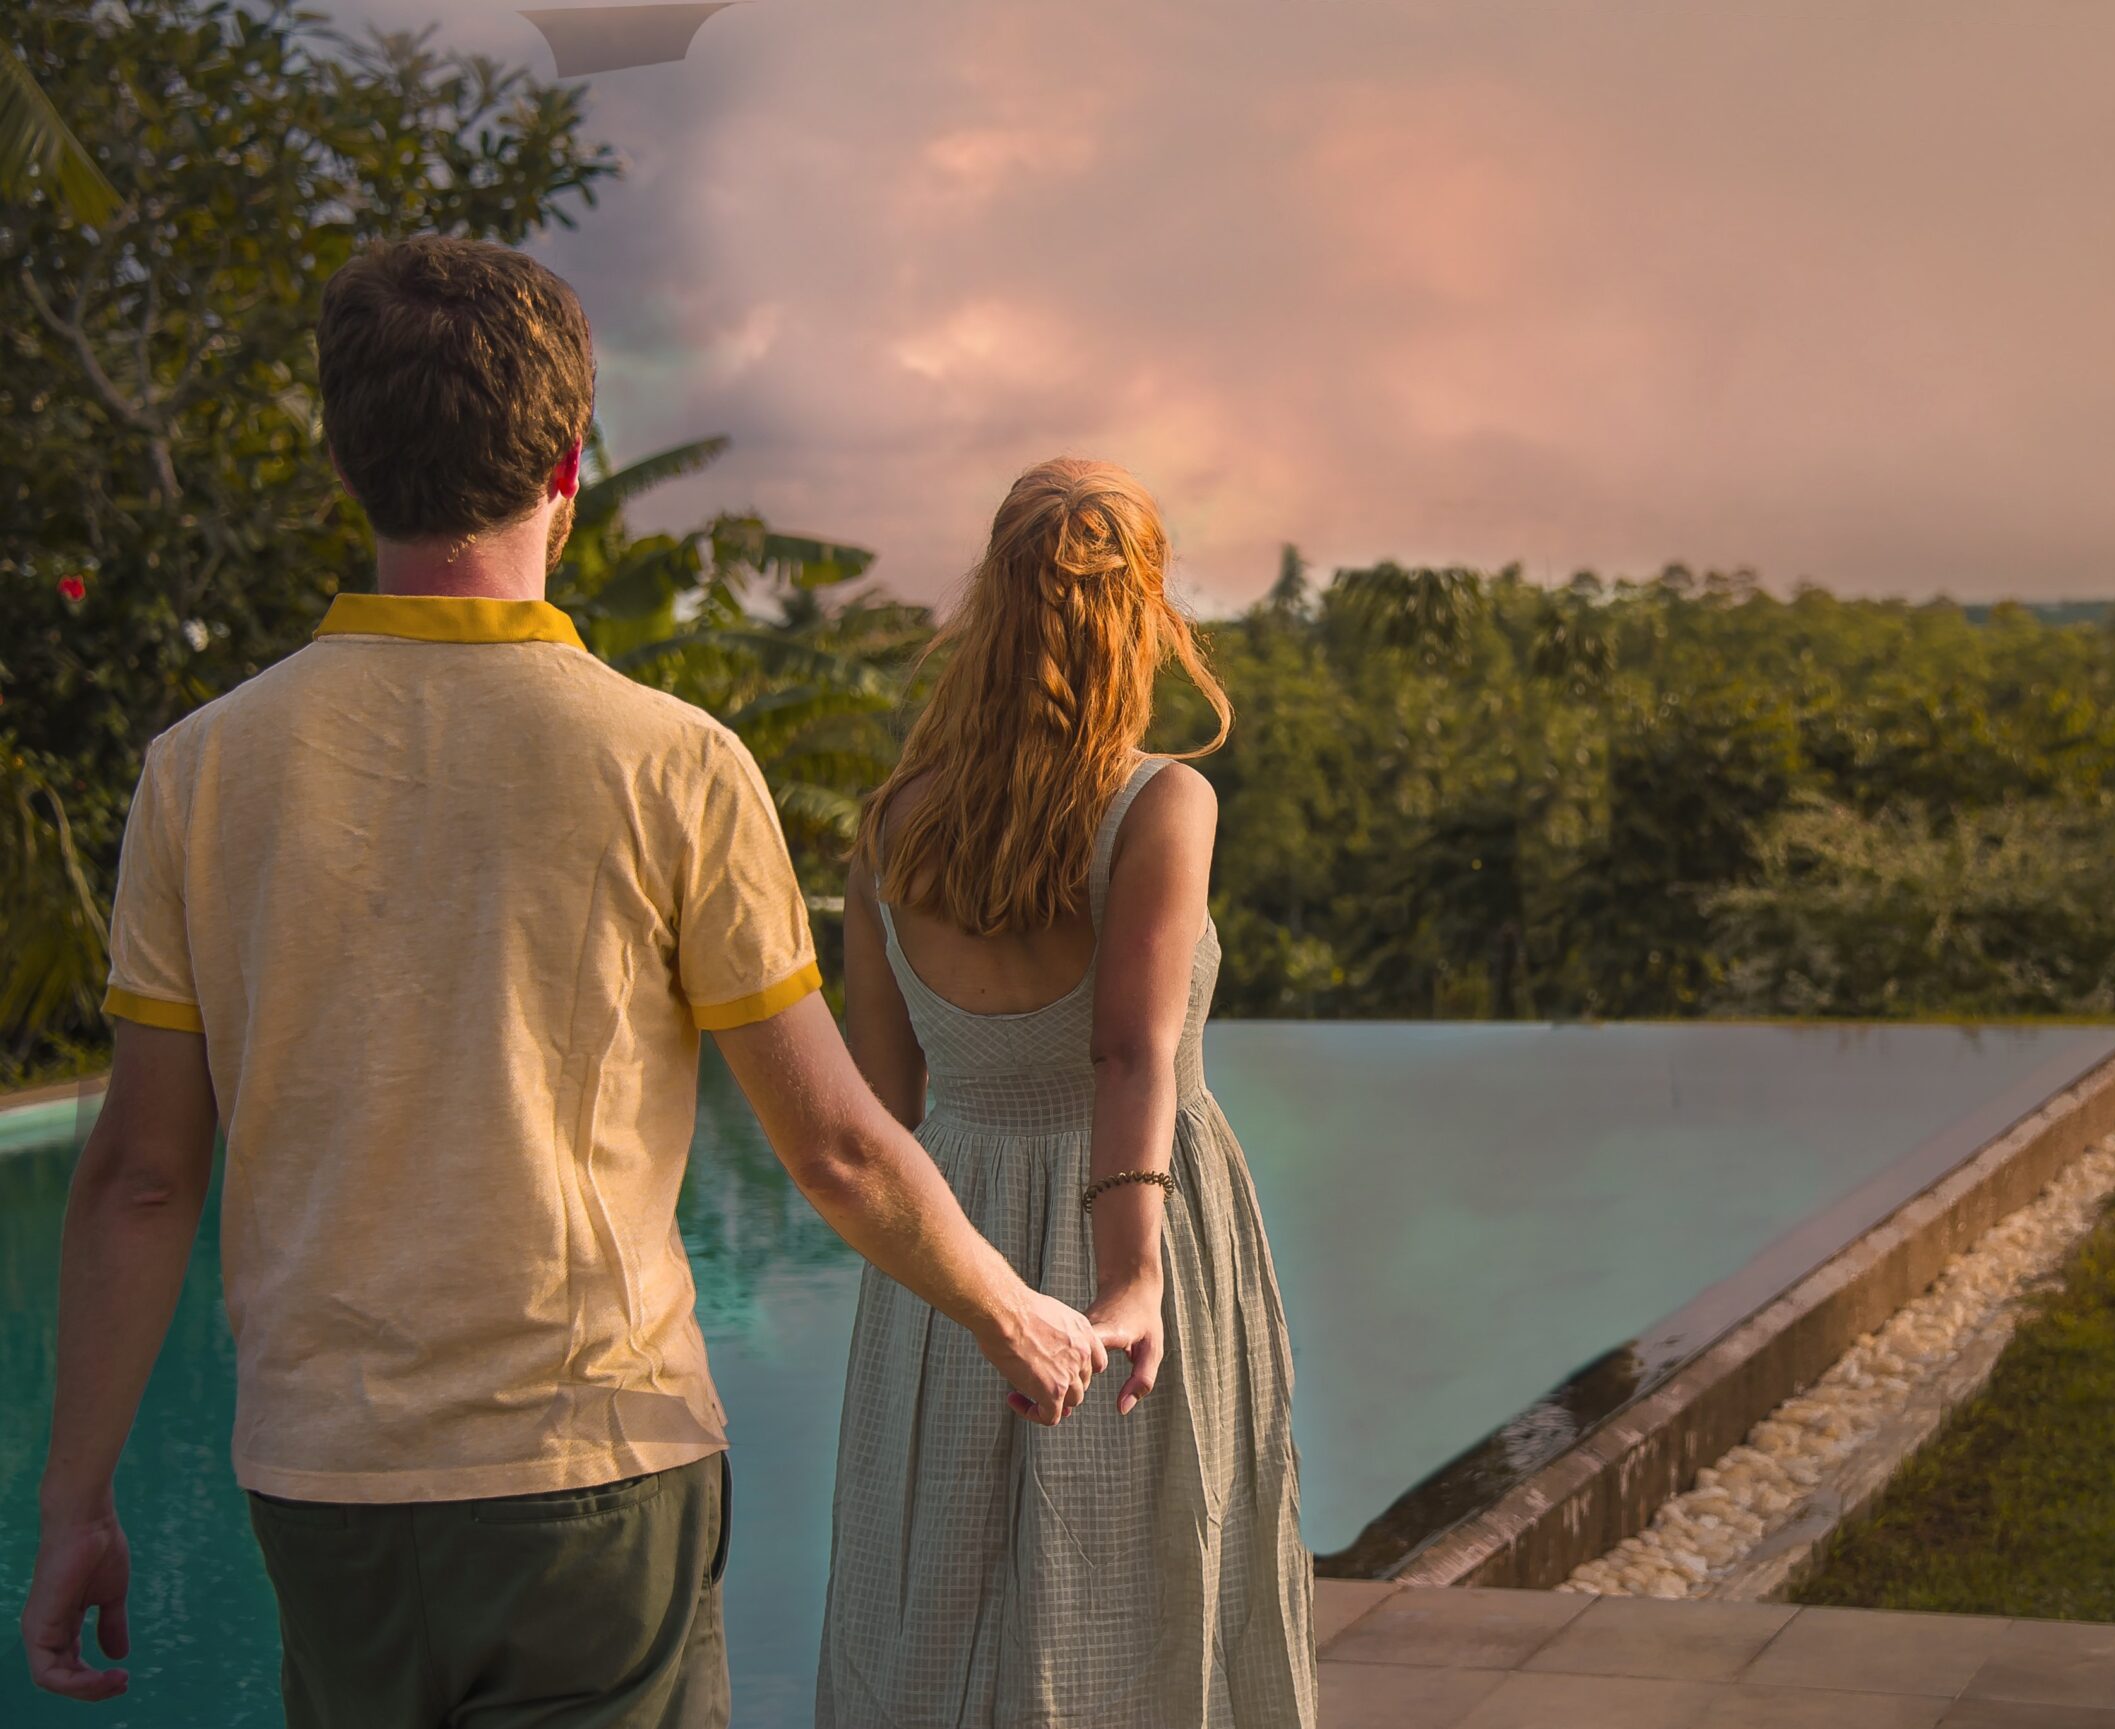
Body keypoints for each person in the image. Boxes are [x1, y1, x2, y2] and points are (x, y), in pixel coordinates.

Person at [19, 236, 1105, 1726]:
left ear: (347, 462)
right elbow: (838, 1146)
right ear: (568, 469)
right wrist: (1007, 1306)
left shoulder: (203, 772)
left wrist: (74, 1498)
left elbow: (144, 1175)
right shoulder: (671, 761)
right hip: (597, 1476)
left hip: (326, 1485)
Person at [818, 459, 1317, 1727]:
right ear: (1144, 611)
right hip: (1133, 1216)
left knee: (932, 1596)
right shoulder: (1160, 800)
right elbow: (1128, 1052)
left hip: (950, 1240)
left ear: (990, 604)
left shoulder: (890, 826)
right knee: (1146, 1598)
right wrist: (1132, 1274)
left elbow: (882, 1096)